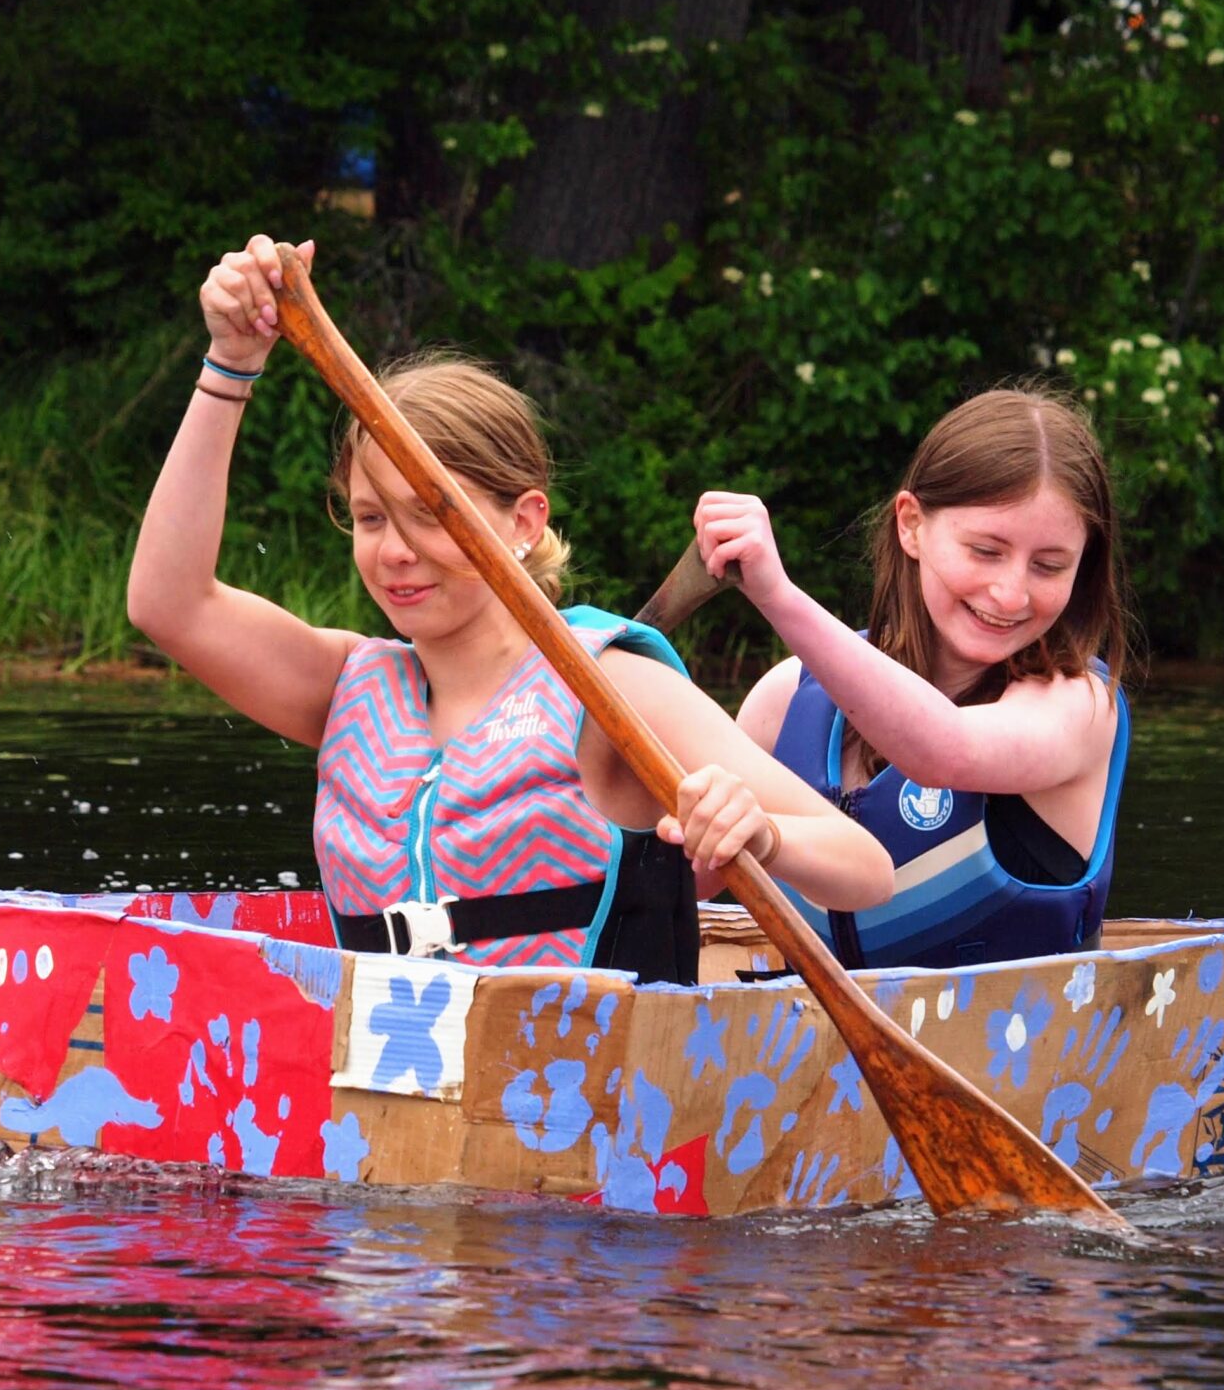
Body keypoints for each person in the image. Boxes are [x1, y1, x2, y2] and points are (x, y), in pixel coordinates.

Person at [127, 237, 893, 981]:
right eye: (369, 519)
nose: (395, 551)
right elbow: (168, 604)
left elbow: (865, 867)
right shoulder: (344, 688)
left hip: (581, 1094)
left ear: (524, 521)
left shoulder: (611, 688)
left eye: (431, 514)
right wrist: (229, 366)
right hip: (378, 1099)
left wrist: (761, 836)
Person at [692, 385, 1133, 972]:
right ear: (912, 526)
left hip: (1014, 1057)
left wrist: (776, 596)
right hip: (802, 1052)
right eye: (985, 550)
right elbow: (684, 880)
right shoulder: (785, 699)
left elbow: (947, 748)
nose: (1010, 592)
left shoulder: (1079, 706)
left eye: (1049, 566)